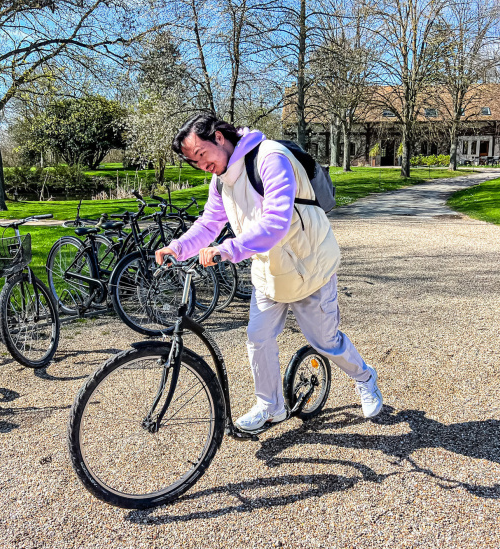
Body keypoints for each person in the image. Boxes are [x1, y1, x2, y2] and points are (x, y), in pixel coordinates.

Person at [155, 112, 382, 431]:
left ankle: (365, 377)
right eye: (194, 162)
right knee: (258, 338)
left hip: (309, 266)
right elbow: (209, 223)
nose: (202, 165)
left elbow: (276, 222)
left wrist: (228, 249)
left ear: (219, 137)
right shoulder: (220, 180)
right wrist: (178, 248)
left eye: (202, 154)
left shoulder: (271, 158)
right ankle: (270, 406)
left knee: (325, 341)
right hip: (269, 271)